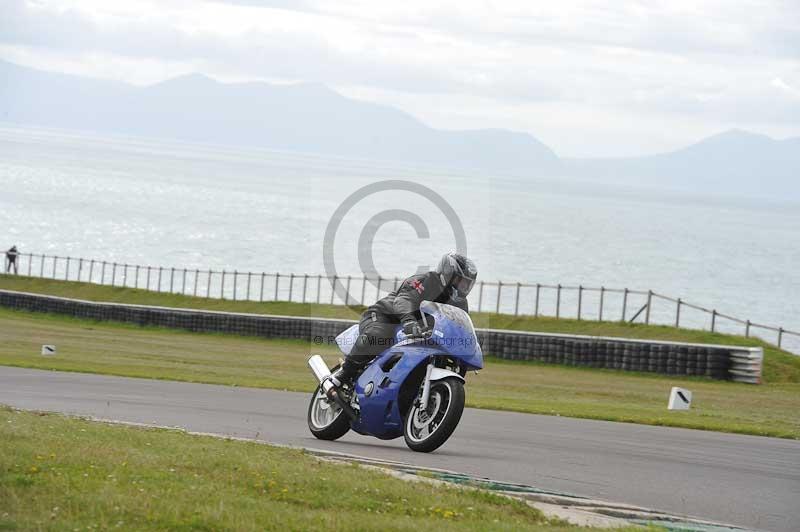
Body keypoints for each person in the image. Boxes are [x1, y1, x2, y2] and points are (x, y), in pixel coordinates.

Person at [329, 252, 478, 389]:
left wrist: (468, 347)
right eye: (460, 281)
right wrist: (409, 321)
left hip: (418, 333)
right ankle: (344, 373)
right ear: (447, 273)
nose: (463, 287)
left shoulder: (460, 303)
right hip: (386, 316)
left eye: (467, 283)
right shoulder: (425, 280)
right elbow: (404, 300)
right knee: (379, 335)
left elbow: (459, 326)